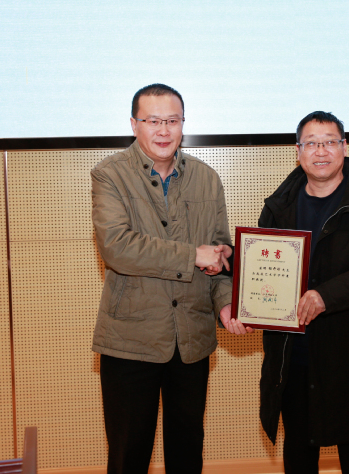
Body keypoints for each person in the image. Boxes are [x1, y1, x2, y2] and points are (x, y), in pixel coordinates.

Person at [90, 83, 241, 474]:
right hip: (130, 341)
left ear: (183, 124)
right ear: (134, 125)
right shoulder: (110, 175)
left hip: (192, 339)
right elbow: (117, 247)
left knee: (187, 454)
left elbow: (220, 253)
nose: (163, 130)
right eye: (152, 121)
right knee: (128, 456)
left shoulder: (207, 179)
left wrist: (226, 304)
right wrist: (192, 255)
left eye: (172, 121)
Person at [255, 111, 349, 474]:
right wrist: (249, 304)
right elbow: (263, 271)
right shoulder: (278, 206)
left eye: (329, 142)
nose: (320, 151)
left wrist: (326, 295)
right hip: (295, 355)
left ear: (344, 147)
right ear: (298, 151)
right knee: (299, 453)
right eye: (311, 143)